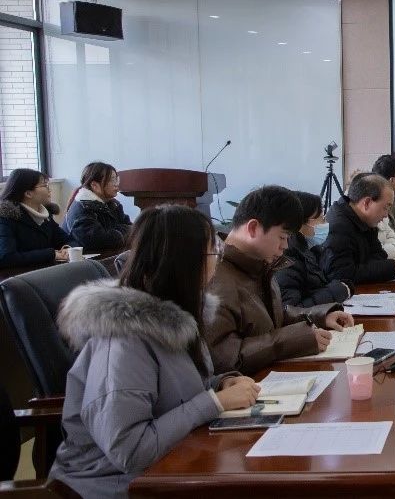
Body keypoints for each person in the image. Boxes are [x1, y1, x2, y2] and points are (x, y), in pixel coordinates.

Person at [48, 205, 261, 499]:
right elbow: (131, 451)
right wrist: (213, 402)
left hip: (172, 464)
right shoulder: (123, 342)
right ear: (186, 262)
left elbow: (172, 392)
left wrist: (220, 384)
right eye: (214, 251)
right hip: (115, 485)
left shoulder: (177, 317)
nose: (218, 260)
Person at [204, 186, 354, 375]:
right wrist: (296, 340)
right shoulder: (214, 278)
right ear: (253, 228)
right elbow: (226, 359)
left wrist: (320, 317)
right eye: (282, 237)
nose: (285, 245)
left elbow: (272, 317)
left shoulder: (258, 264)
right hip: (252, 386)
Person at [322, 173, 395, 284]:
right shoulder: (338, 227)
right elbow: (341, 274)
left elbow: (379, 256)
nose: (386, 215)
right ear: (367, 203)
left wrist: (378, 267)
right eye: (386, 207)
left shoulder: (365, 220)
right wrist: (393, 268)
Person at [274, 190, 351, 308]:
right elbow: (291, 310)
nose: (325, 223)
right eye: (321, 218)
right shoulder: (287, 260)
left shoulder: (310, 251)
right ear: (301, 223)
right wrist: (336, 292)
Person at [0, 168, 72, 268]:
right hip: (19, 275)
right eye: (45, 185)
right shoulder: (5, 218)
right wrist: (51, 254)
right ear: (28, 193)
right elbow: (6, 258)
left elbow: (68, 240)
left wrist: (68, 249)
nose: (49, 190)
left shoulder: (45, 215)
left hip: (44, 271)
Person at [61, 162, 132, 251]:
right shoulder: (82, 208)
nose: (116, 184)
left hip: (109, 254)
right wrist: (121, 231)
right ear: (94, 185)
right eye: (112, 180)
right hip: (86, 258)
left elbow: (133, 229)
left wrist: (114, 232)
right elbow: (98, 241)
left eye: (116, 179)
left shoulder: (113, 204)